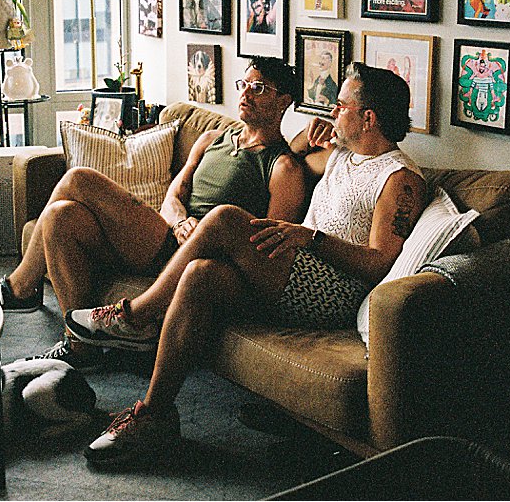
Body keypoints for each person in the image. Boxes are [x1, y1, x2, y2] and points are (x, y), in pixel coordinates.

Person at [66, 63, 427, 466]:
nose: (331, 113)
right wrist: (309, 141)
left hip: (332, 291)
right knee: (200, 275)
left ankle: (136, 315)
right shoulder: (344, 155)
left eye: (340, 106)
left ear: (368, 117)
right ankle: (156, 416)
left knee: (225, 218)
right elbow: (291, 158)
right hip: (294, 269)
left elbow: (380, 263)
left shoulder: (400, 179)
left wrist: (311, 238)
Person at [0, 58, 306, 371]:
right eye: (244, 84)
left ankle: (20, 287)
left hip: (195, 259)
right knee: (59, 217)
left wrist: (202, 237)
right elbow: (173, 195)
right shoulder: (211, 139)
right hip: (167, 237)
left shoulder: (283, 168)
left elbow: (266, 253)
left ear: (283, 101)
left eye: (259, 88)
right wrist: (180, 221)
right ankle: (80, 347)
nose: (246, 94)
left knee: (78, 179)